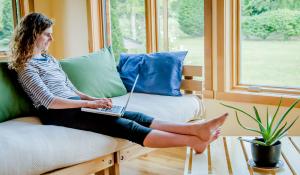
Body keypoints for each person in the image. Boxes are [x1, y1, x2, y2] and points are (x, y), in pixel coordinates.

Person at [9, 13, 227, 154]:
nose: (51, 39)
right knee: (124, 126)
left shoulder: (48, 59)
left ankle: (196, 129)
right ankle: (193, 141)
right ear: (33, 35)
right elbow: (50, 101)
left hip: (73, 103)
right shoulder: (26, 66)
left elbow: (70, 89)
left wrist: (94, 100)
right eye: (47, 35)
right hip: (57, 112)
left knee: (134, 115)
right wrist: (90, 106)